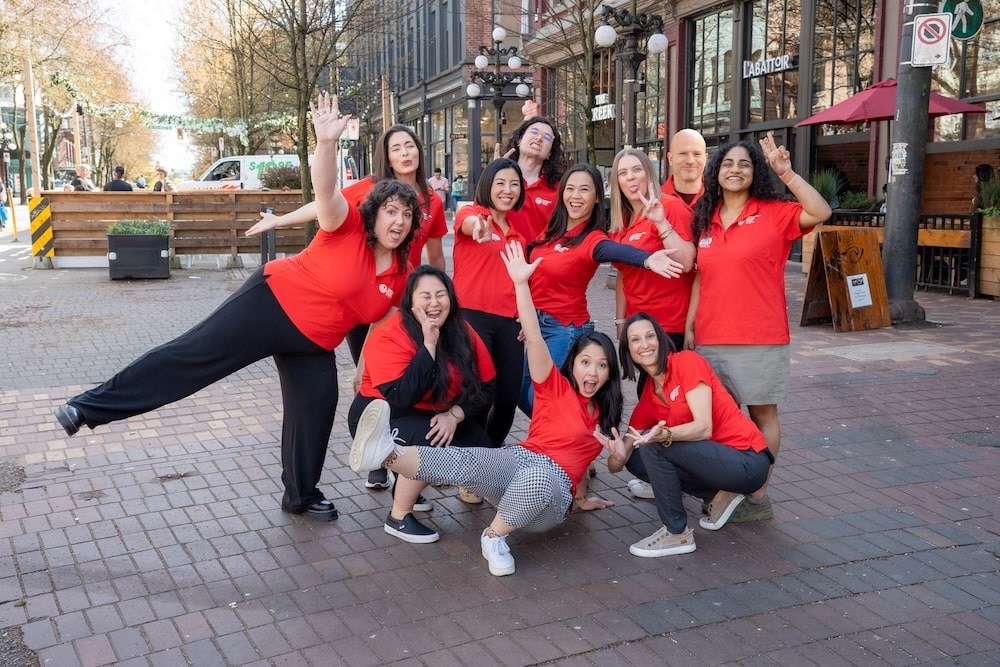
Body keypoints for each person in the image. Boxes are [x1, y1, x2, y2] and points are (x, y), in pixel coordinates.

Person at [53, 93, 420, 522]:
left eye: (408, 216)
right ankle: (87, 407)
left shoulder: (400, 273)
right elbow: (325, 189)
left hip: (315, 343)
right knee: (192, 358)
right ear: (374, 214)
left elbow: (384, 325)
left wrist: (367, 369)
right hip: (272, 304)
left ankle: (300, 496)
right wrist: (325, 144)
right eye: (391, 211)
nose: (398, 221)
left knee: (316, 412)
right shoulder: (347, 226)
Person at [348, 240, 623, 577]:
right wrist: (520, 283)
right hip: (519, 462)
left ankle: (493, 536)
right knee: (469, 461)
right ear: (572, 364)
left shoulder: (605, 414)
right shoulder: (554, 387)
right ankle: (384, 454)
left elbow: (588, 460)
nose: (592, 372)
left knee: (536, 476)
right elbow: (534, 337)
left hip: (552, 496)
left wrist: (599, 479)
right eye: (585, 362)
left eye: (601, 366)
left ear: (611, 373)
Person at [686, 131, 831, 523]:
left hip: (760, 337)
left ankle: (758, 496)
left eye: (744, 164)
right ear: (716, 171)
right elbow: (700, 277)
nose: (736, 170)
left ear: (755, 172)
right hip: (710, 337)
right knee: (719, 420)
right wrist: (689, 327)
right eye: (728, 163)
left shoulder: (775, 212)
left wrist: (787, 174)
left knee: (762, 416)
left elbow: (820, 212)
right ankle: (728, 485)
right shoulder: (706, 217)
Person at [599, 314, 773, 557]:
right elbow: (618, 461)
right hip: (718, 466)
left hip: (748, 460)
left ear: (660, 339)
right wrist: (618, 455)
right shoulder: (649, 396)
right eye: (635, 340)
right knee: (637, 456)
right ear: (628, 351)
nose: (645, 344)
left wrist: (664, 435)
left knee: (654, 446)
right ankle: (718, 496)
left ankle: (676, 533)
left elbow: (704, 427)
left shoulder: (686, 362)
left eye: (650, 336)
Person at [517, 163, 683, 418]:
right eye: (570, 189)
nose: (575, 196)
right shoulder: (552, 231)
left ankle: (574, 436)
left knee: (536, 395)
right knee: (522, 393)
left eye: (584, 190)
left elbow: (617, 251)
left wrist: (648, 260)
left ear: (596, 198)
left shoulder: (592, 239)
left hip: (565, 328)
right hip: (539, 325)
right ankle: (574, 430)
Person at [347, 266, 496, 542]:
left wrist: (456, 414)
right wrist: (428, 344)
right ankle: (399, 516)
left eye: (441, 295)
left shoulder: (462, 330)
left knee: (482, 453)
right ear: (410, 302)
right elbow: (402, 397)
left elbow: (487, 385)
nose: (434, 302)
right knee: (433, 443)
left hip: (435, 414)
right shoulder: (390, 334)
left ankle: (406, 485)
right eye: (425, 296)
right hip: (379, 415)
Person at [452, 158, 527, 447]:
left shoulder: (519, 236)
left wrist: (525, 315)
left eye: (514, 184)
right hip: (472, 318)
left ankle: (489, 454)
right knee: (478, 395)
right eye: (501, 183)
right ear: (487, 186)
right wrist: (479, 229)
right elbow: (471, 226)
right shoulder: (472, 213)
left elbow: (521, 281)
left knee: (508, 397)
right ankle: (468, 464)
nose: (508, 190)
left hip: (509, 324)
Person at [609, 149, 697, 351]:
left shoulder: (670, 206)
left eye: (636, 169)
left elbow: (686, 264)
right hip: (638, 326)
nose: (630, 177)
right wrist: (620, 320)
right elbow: (624, 272)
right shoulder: (621, 219)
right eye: (622, 173)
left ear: (648, 173)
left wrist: (661, 223)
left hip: (669, 326)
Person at [496, 117, 567, 241]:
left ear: (550, 152)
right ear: (519, 139)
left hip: (538, 258)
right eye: (534, 132)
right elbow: (477, 212)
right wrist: (495, 173)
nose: (539, 138)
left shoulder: (559, 189)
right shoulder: (496, 179)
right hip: (501, 256)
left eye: (547, 137)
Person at [660, 129, 708, 209]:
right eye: (683, 154)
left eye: (697, 154)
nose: (690, 161)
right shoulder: (654, 201)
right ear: (670, 159)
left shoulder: (720, 200)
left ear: (705, 158)